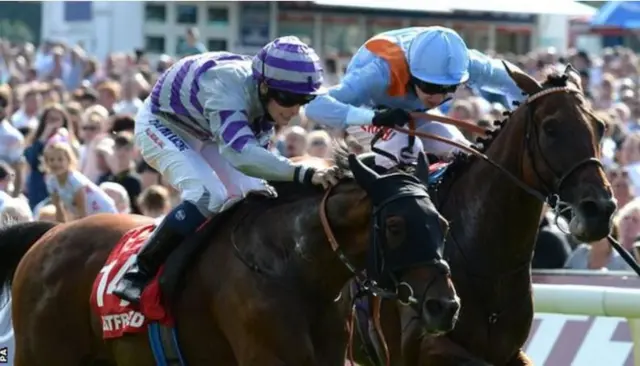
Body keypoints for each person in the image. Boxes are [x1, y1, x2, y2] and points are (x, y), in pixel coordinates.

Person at [113, 36, 403, 304]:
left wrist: (376, 117)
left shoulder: (271, 91)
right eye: (288, 99)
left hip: (208, 130)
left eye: (303, 100)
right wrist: (302, 173)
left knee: (253, 193)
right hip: (164, 124)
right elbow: (241, 154)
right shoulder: (226, 84)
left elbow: (329, 109)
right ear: (263, 87)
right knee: (206, 194)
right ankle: (140, 269)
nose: (295, 110)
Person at [305, 26, 525, 168]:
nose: (438, 97)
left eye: (449, 88)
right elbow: (313, 107)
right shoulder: (378, 73)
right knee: (406, 149)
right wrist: (374, 118)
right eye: (430, 86)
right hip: (369, 111)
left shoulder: (464, 63)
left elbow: (517, 83)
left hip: (414, 113)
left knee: (464, 154)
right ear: (411, 73)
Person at [43, 141, 118, 223]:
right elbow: (58, 209)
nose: (55, 163)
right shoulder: (52, 183)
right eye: (51, 160)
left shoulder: (75, 181)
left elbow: (82, 212)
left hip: (104, 212)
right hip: (89, 216)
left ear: (69, 161)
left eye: (60, 159)